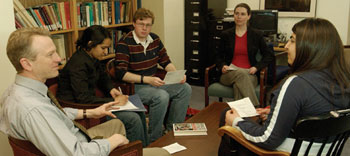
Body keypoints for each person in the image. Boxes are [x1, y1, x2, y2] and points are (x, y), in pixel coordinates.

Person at [0, 27, 170, 156]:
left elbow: (53, 114)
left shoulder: (16, 92)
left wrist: (89, 113)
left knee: (120, 123)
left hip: (74, 134)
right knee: (162, 153)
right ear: (27, 64)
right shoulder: (34, 109)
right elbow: (76, 153)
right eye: (50, 54)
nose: (59, 59)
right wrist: (112, 142)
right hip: (81, 146)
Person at [218, 18, 350, 155]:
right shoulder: (342, 80)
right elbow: (318, 112)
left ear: (310, 47)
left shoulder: (296, 84)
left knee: (226, 116)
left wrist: (237, 122)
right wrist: (278, 113)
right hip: (326, 151)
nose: (286, 46)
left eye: (292, 40)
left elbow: (267, 139)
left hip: (289, 152)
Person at [57, 25, 149, 146]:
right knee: (132, 119)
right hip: (83, 110)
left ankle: (145, 149)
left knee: (139, 111)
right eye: (103, 48)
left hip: (92, 104)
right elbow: (83, 98)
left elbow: (103, 76)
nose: (106, 52)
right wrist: (114, 101)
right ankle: (134, 151)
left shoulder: (91, 56)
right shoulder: (78, 65)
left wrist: (111, 89)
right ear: (90, 44)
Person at [114, 8, 192, 142]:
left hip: (153, 83)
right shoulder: (124, 43)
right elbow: (121, 74)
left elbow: (165, 61)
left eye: (148, 25)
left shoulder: (155, 39)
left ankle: (171, 130)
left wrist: (176, 75)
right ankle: (153, 138)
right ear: (134, 24)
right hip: (134, 87)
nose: (144, 28)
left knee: (185, 88)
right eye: (141, 24)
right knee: (161, 96)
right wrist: (147, 80)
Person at [215, 3, 274, 106]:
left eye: (242, 14)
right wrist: (222, 66)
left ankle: (241, 116)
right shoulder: (226, 35)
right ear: (233, 15)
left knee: (239, 85)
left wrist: (256, 67)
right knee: (241, 74)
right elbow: (218, 56)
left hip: (250, 74)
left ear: (248, 16)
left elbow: (268, 55)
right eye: (236, 13)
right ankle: (256, 107)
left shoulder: (256, 34)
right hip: (229, 74)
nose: (239, 17)